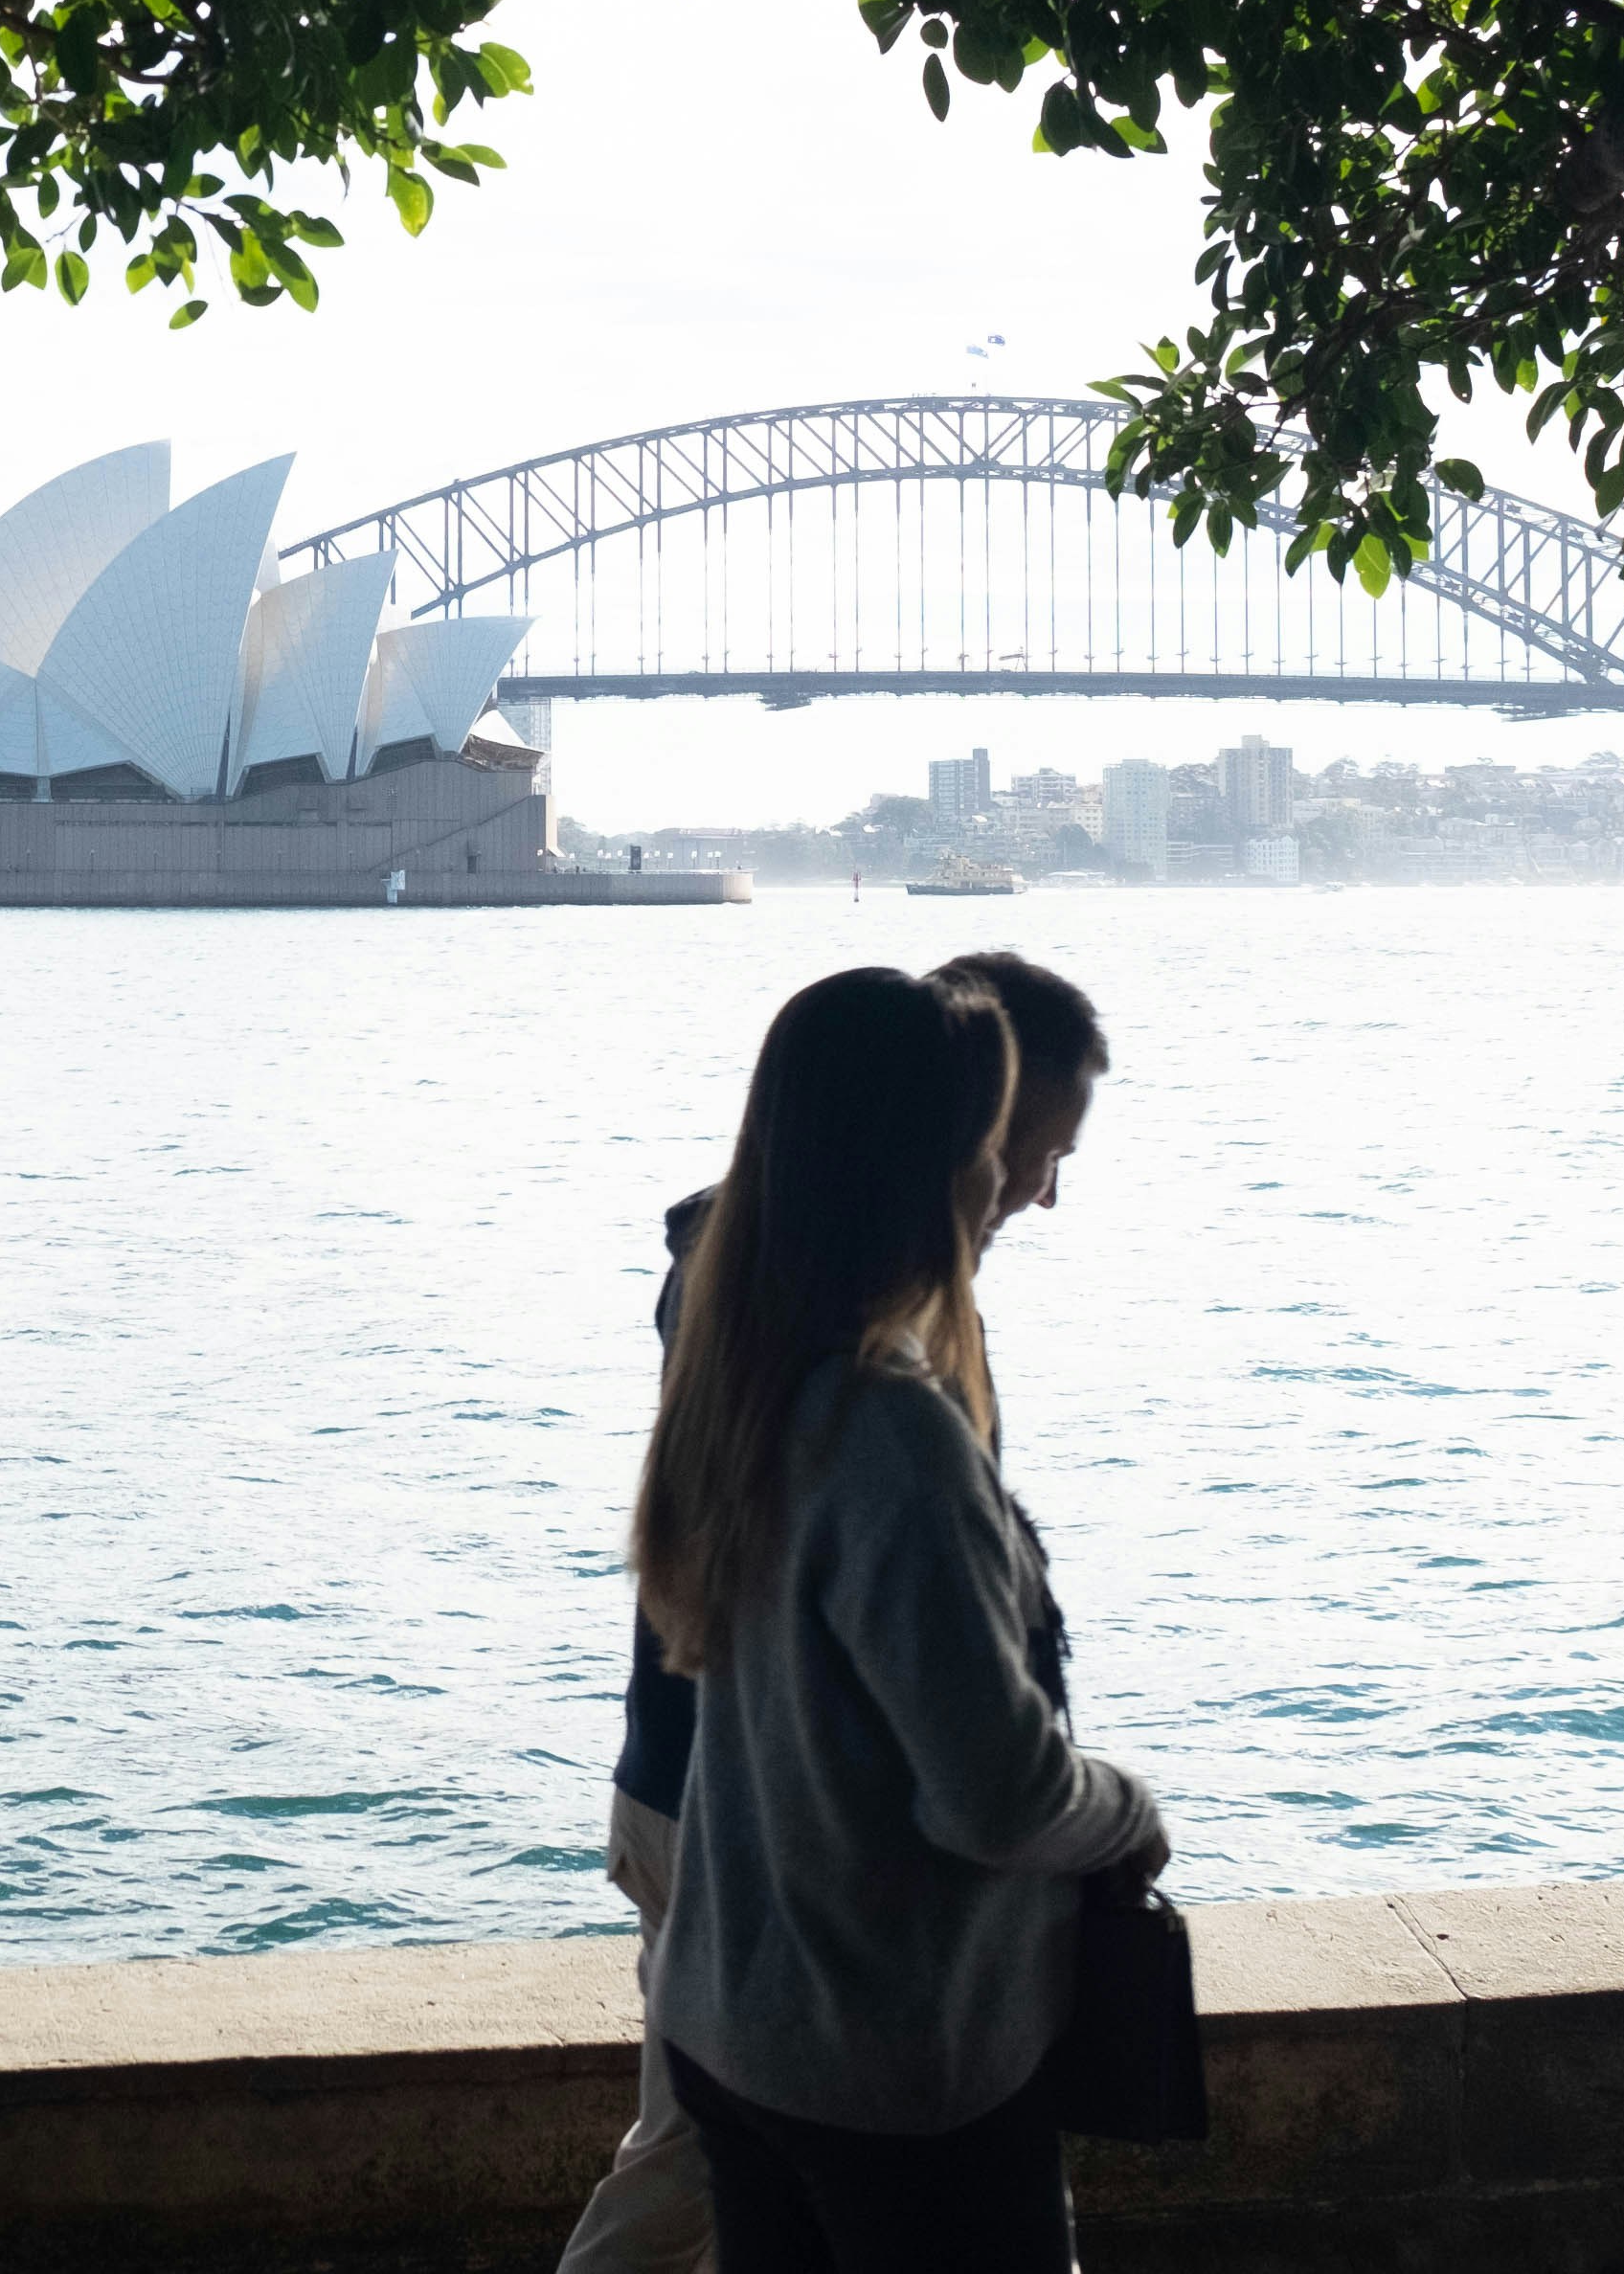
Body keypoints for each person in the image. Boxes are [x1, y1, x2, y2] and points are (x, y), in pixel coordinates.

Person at [556, 954, 1138, 2274]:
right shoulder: (864, 1394)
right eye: (1027, 1143)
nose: (1035, 1186)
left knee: (708, 2162)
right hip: (764, 1829)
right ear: (953, 1132)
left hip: (722, 1803)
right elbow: (981, 1768)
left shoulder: (762, 1289)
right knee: (677, 2182)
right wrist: (1117, 1810)